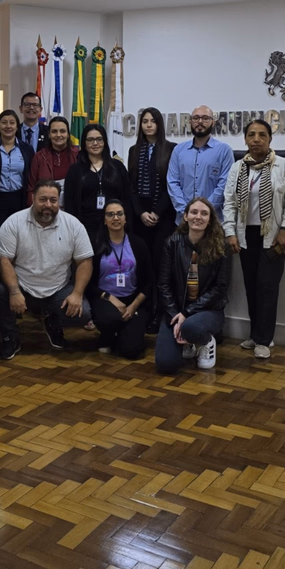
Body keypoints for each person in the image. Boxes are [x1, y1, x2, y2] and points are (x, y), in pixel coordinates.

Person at [223, 118, 285, 359]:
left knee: (267, 287)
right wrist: (230, 232)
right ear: (245, 139)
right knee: (251, 287)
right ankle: (256, 333)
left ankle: (264, 340)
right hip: (245, 235)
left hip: (273, 236)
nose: (256, 139)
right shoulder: (238, 168)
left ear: (270, 139)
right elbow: (229, 202)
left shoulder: (284, 166)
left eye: (262, 135)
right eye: (251, 135)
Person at [0, 179, 94, 359]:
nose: (48, 205)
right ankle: (10, 336)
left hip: (58, 288)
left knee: (83, 313)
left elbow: (85, 261)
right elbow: (4, 260)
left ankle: (51, 320)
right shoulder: (14, 222)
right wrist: (14, 291)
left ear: (59, 201)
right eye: (43, 199)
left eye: (53, 200)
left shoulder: (73, 224)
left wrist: (77, 293)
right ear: (32, 199)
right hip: (23, 287)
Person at [155, 197, 231, 374]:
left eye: (204, 214)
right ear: (185, 216)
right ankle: (189, 340)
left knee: (190, 327)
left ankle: (204, 341)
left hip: (208, 311)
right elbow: (163, 284)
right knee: (166, 365)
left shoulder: (222, 247)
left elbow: (221, 288)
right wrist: (175, 314)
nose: (199, 217)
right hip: (176, 311)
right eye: (194, 212)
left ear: (210, 220)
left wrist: (186, 314)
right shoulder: (172, 243)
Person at [128, 107, 177, 331]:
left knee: (160, 266)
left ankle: (160, 312)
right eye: (144, 121)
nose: (148, 125)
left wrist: (157, 212)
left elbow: (172, 185)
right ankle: (143, 310)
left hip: (163, 216)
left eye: (153, 121)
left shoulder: (171, 149)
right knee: (142, 265)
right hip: (140, 217)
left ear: (159, 124)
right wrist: (140, 213)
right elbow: (131, 187)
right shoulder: (133, 150)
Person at [87, 200, 152, 359]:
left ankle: (121, 336)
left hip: (133, 299)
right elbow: (88, 283)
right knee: (112, 318)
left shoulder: (138, 244)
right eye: (110, 214)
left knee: (132, 351)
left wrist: (133, 306)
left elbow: (149, 282)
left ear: (125, 219)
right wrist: (110, 298)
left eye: (119, 214)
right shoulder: (95, 244)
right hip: (105, 298)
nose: (115, 218)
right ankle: (108, 334)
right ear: (104, 220)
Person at [63, 123, 133, 237]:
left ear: (104, 142)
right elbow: (70, 204)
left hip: (114, 226)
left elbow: (126, 198)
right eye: (90, 140)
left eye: (99, 139)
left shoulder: (118, 167)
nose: (95, 143)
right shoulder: (75, 170)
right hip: (84, 229)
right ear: (84, 144)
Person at [167, 105, 234, 224]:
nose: (200, 122)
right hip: (183, 221)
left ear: (213, 122)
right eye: (196, 118)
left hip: (213, 222)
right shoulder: (178, 150)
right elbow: (172, 182)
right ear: (190, 122)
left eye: (205, 118)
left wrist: (204, 212)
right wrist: (186, 212)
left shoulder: (224, 150)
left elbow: (225, 184)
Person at [0, 109, 34, 237]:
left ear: (17, 126)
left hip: (20, 201)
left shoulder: (27, 149)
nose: (8, 126)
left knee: (20, 238)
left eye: (12, 122)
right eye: (4, 122)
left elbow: (31, 177)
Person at [26, 116, 79, 206]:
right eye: (54, 131)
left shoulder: (78, 155)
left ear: (68, 134)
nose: (58, 135)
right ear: (49, 135)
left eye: (62, 131)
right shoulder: (39, 157)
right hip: (45, 209)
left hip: (72, 209)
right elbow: (31, 189)